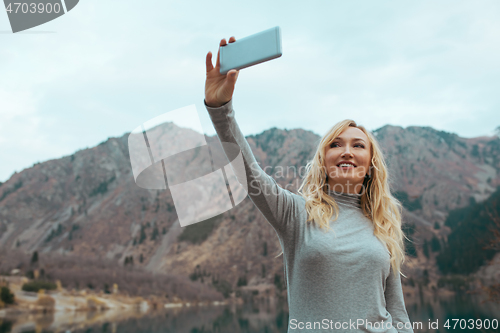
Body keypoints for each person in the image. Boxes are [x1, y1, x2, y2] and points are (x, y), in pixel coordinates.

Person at [204, 36, 414, 333]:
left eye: (358, 146)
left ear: (370, 166)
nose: (347, 151)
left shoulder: (383, 225)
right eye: (336, 144)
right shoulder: (296, 213)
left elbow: (397, 312)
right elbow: (250, 174)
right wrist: (220, 108)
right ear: (323, 161)